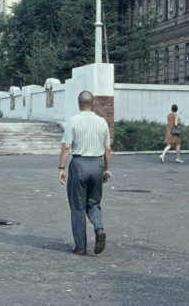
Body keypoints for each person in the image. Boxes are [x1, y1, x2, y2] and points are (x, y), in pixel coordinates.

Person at [57, 91, 112, 256]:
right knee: (93, 203)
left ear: (78, 103)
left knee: (77, 206)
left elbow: (66, 147)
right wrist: (107, 169)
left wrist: (61, 168)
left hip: (79, 165)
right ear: (93, 102)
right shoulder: (102, 122)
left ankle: (81, 247)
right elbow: (108, 149)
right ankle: (99, 227)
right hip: (97, 165)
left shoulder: (73, 121)